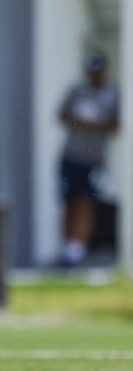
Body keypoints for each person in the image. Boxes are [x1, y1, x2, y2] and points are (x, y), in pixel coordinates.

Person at [56, 52, 119, 267]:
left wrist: (94, 125)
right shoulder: (77, 91)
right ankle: (67, 251)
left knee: (85, 202)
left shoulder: (113, 93)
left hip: (93, 159)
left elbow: (115, 125)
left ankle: (77, 251)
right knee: (68, 202)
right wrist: (82, 123)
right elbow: (62, 116)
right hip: (70, 156)